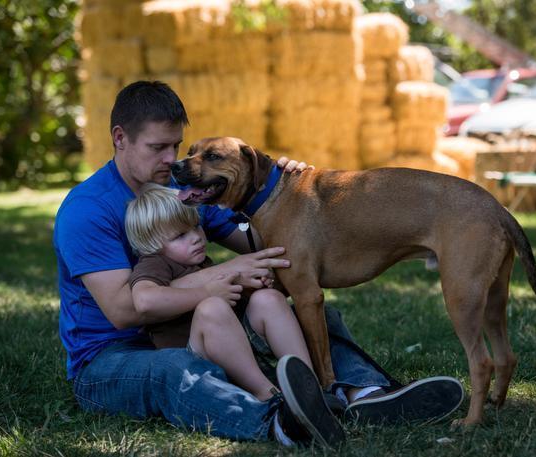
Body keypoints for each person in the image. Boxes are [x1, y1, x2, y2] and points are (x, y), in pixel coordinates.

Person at [53, 80, 464, 447]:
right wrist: (222, 276)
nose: (171, 159)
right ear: (120, 138)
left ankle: (364, 394)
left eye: (176, 145)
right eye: (158, 147)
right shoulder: (88, 210)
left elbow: (264, 243)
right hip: (112, 357)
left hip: (205, 327)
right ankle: (279, 420)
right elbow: (126, 310)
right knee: (174, 370)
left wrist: (280, 187)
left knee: (291, 306)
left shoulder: (183, 192)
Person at [125, 182, 315, 402]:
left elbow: (231, 302)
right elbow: (144, 300)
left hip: (232, 350)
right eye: (179, 236)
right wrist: (207, 291)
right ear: (151, 245)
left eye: (196, 226)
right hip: (191, 362)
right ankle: (268, 394)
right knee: (212, 307)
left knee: (268, 299)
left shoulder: (198, 262)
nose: (196, 237)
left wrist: (250, 286)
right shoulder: (154, 263)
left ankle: (306, 385)